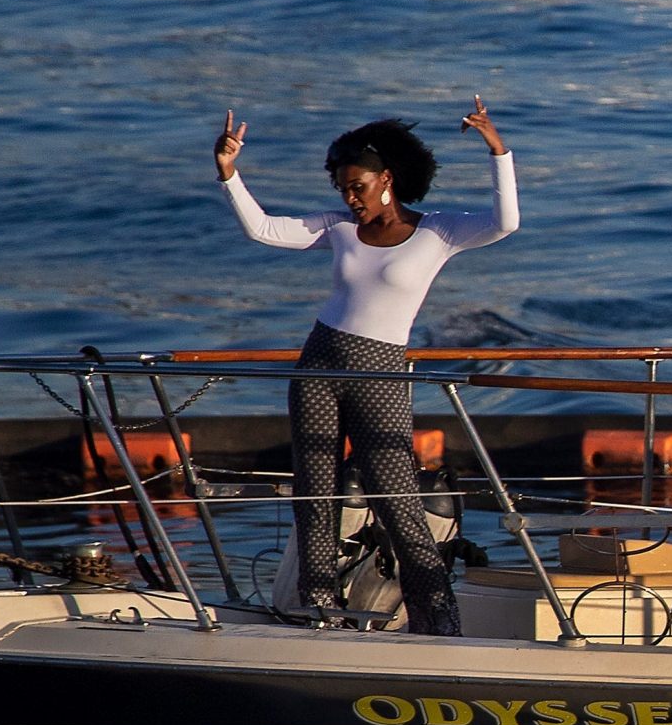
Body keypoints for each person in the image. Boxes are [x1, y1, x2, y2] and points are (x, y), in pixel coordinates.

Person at [215, 99, 518, 634]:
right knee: (315, 490)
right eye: (342, 189)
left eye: (358, 186)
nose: (350, 198)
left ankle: (438, 618)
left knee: (396, 495)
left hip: (380, 368)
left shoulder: (439, 231)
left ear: (387, 179)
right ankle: (319, 609)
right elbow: (264, 230)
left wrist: (498, 150)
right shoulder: (337, 228)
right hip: (319, 360)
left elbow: (505, 224)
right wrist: (229, 174)